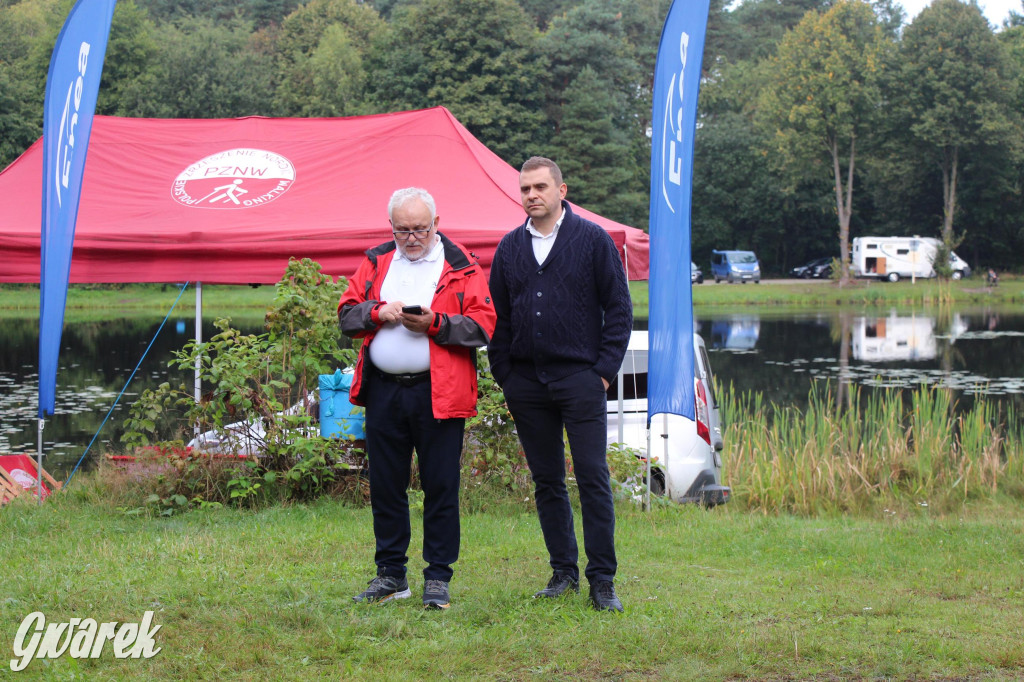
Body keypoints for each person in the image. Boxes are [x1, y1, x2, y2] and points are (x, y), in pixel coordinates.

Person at [338, 187, 496, 609]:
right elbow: (346, 317)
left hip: (438, 391)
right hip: (384, 391)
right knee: (386, 486)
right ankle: (391, 575)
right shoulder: (376, 261)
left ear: (437, 224)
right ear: (391, 227)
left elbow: (483, 327)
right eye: (402, 229)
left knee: (440, 485)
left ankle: (438, 577)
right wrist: (376, 312)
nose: (411, 237)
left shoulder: (460, 265)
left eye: (420, 228)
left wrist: (435, 323)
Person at [487, 157, 633, 612]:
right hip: (526, 382)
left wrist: (603, 371)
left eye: (540, 187)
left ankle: (602, 580)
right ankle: (563, 572)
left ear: (561, 190)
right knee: (547, 480)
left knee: (592, 478)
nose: (532, 195)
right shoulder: (510, 248)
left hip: (580, 378)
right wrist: (505, 375)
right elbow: (499, 318)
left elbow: (620, 309)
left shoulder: (592, 241)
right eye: (525, 188)